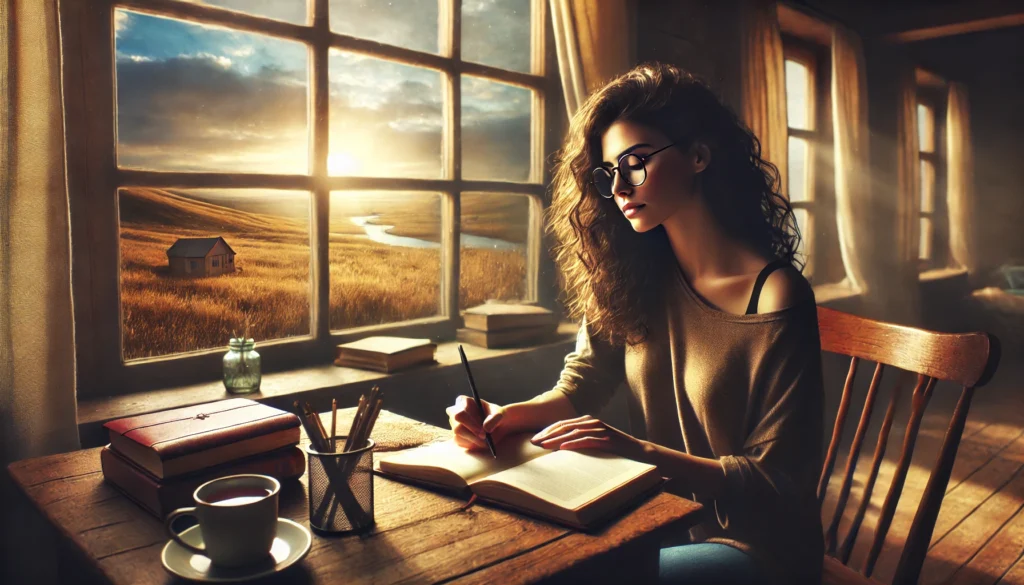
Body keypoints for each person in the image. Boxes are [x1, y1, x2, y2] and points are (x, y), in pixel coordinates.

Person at [447, 62, 824, 585]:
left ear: (698, 155)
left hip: (756, 550)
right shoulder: (633, 277)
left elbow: (780, 481)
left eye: (637, 162)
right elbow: (584, 382)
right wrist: (508, 416)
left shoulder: (776, 295)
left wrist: (638, 452)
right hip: (657, 519)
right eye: (608, 172)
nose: (620, 186)